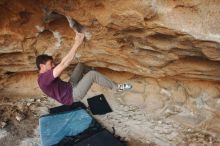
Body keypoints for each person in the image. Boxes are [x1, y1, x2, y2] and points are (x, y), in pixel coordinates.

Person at [36, 31, 132, 105]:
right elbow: (63, 64)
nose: (53, 65)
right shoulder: (43, 79)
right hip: (72, 96)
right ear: (42, 66)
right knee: (92, 75)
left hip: (70, 86)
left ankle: (98, 78)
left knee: (80, 66)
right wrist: (77, 43)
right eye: (51, 63)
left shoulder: (45, 76)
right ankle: (117, 88)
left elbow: (63, 65)